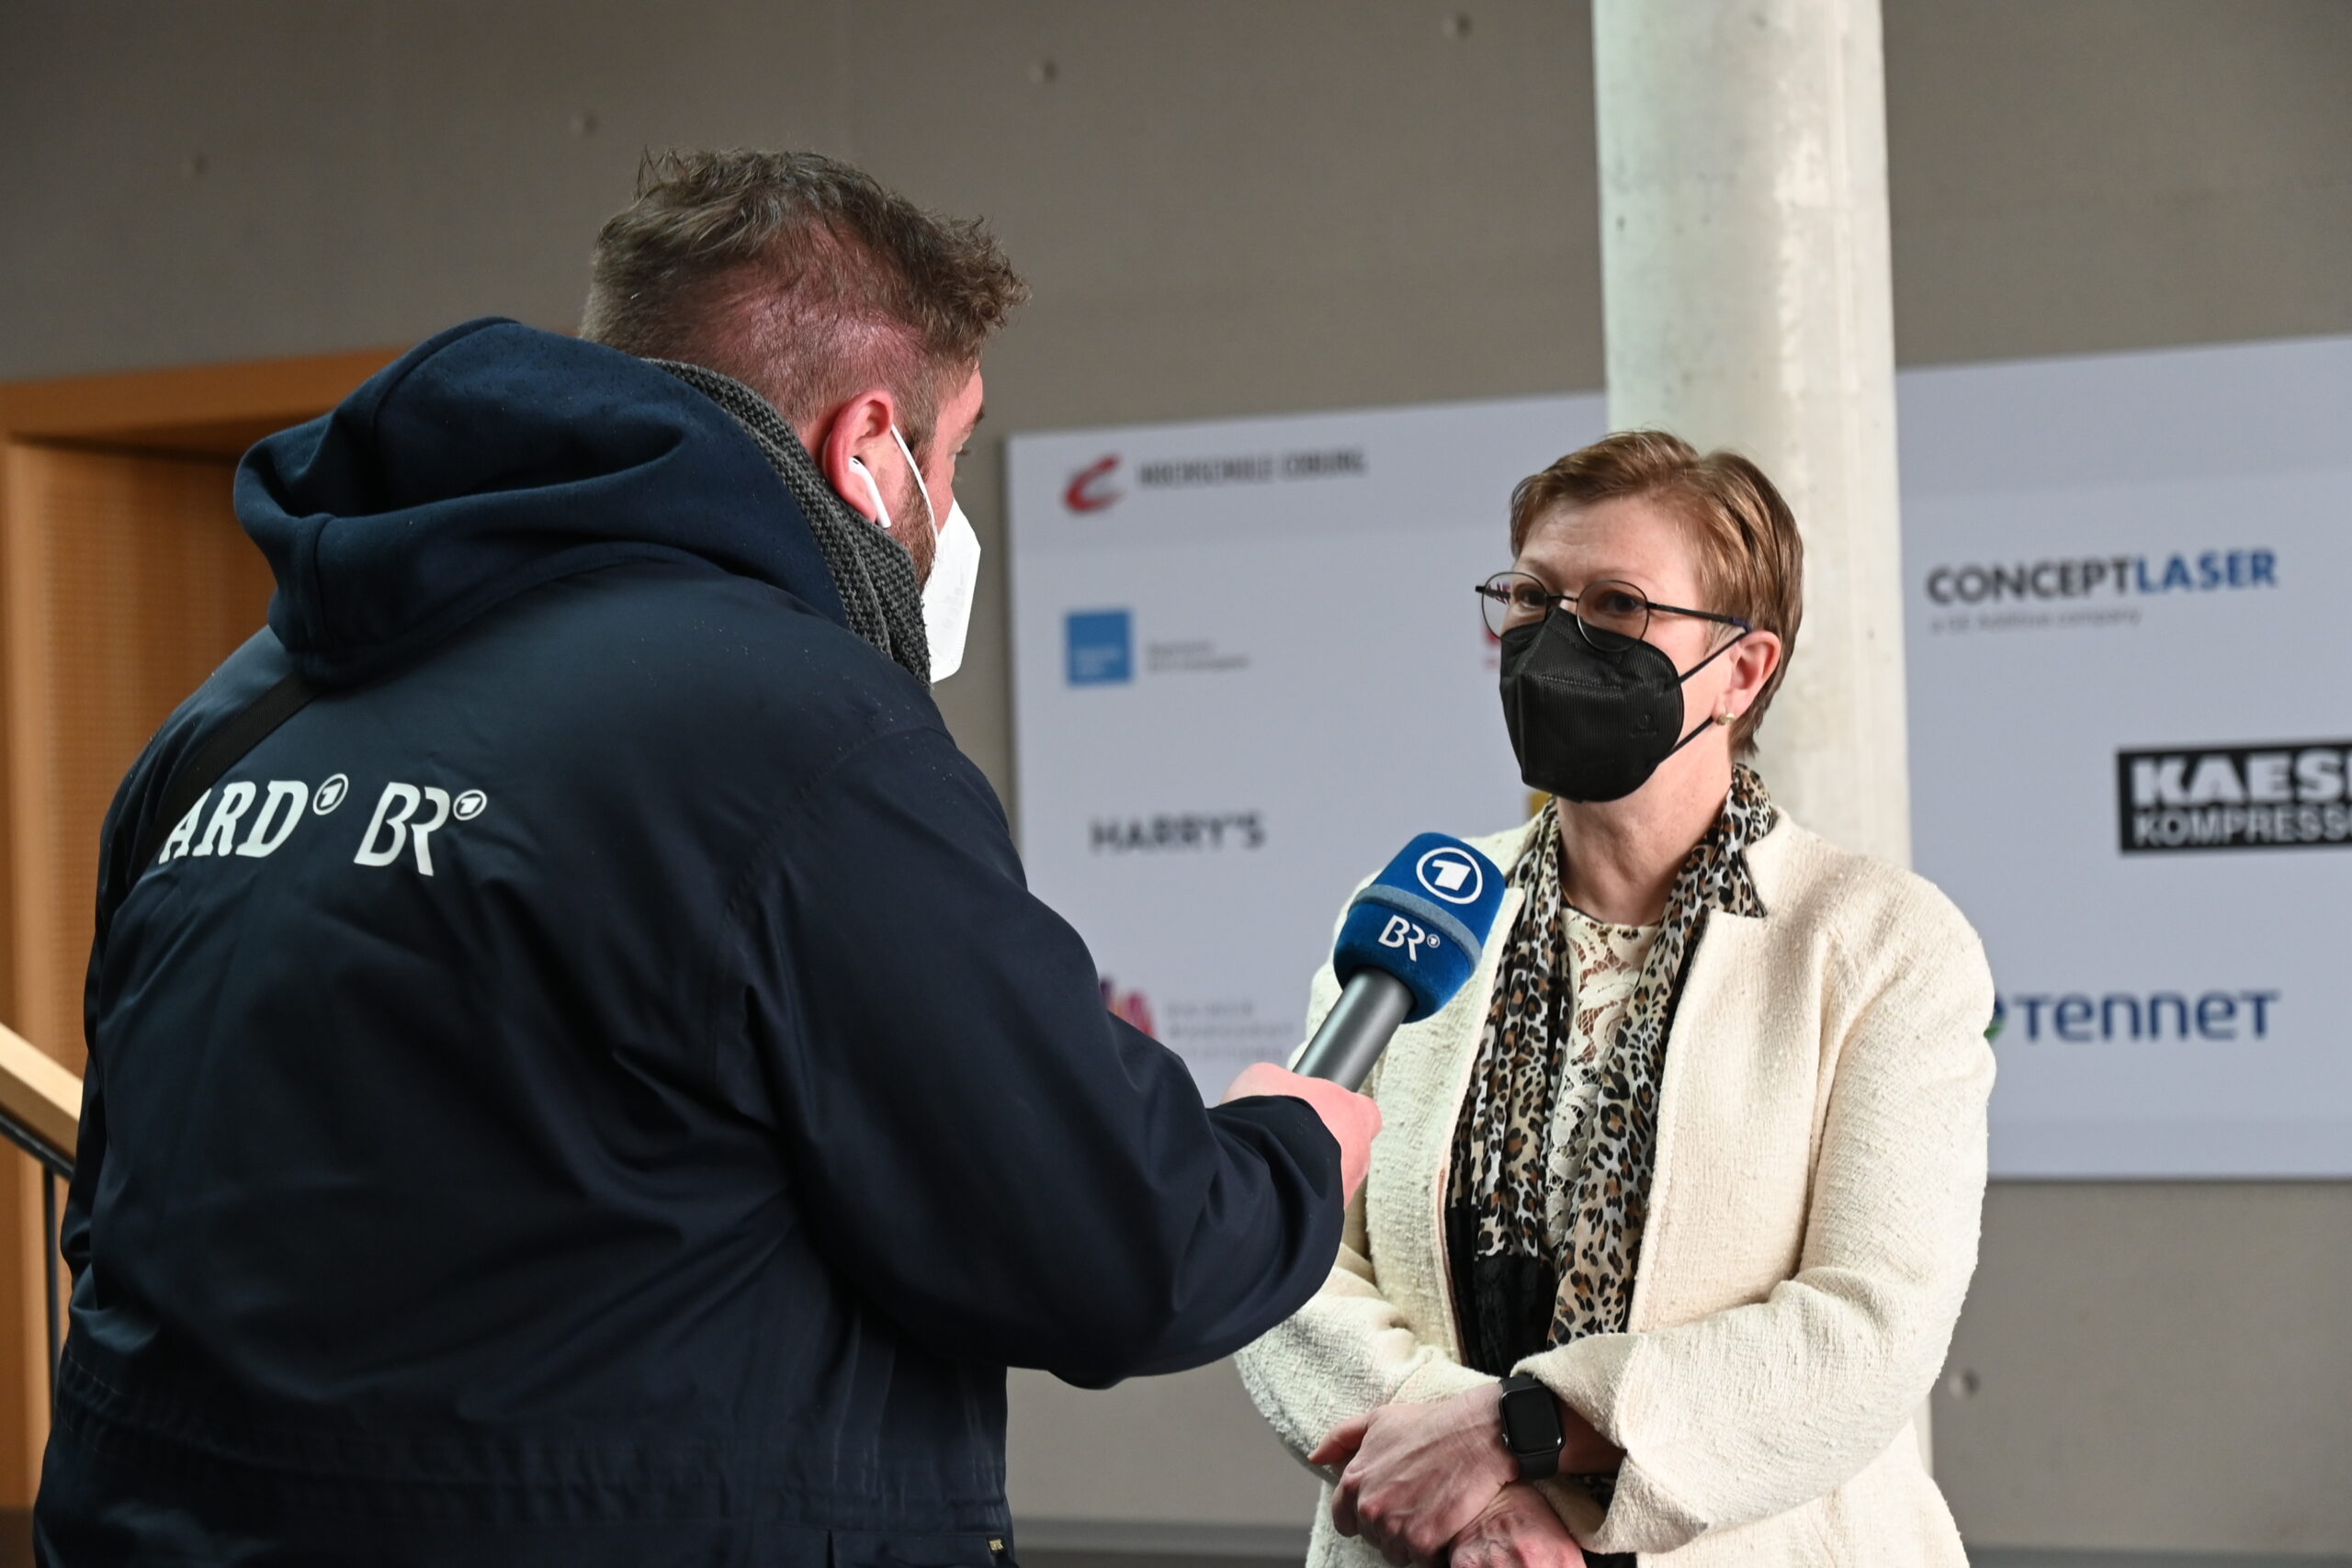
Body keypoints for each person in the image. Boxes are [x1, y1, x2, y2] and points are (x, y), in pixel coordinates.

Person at [36, 150, 1379, 1567]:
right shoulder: (804, 736)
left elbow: (118, 1202)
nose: (949, 506)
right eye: (957, 447)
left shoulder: (239, 713)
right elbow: (1119, 1245)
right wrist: (1292, 1150)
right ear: (870, 442)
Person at [1237, 432, 1996, 1567]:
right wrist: (1481, 1505)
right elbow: (1286, 1249)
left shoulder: (1880, 942)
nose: (1556, 640)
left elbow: (1865, 1331)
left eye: (1617, 605)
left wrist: (1524, 1432)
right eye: (1533, 598)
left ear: (1741, 670)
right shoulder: (1428, 911)